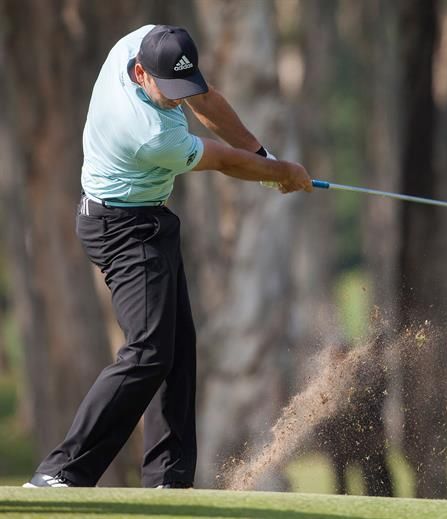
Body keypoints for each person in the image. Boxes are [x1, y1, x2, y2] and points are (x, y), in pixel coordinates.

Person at [23, 24, 312, 489]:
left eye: (185, 85)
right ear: (140, 73)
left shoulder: (140, 43)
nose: (180, 99)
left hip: (148, 221)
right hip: (121, 228)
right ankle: (61, 470)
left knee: (176, 351)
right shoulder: (148, 134)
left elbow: (206, 98)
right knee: (148, 351)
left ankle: (167, 480)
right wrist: (281, 172)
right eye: (169, 90)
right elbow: (221, 160)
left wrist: (263, 154)